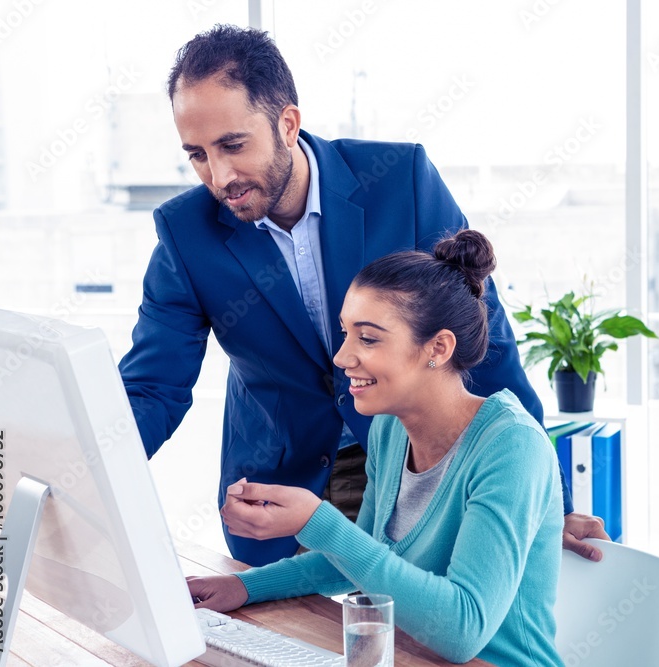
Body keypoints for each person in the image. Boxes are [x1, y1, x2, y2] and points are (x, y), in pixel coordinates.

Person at [118, 23, 607, 567]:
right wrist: (79, 474)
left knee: (414, 640)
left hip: (412, 470)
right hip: (282, 487)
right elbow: (151, 387)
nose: (220, 174)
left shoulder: (402, 182)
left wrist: (551, 502)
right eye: (198, 155)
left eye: (233, 145)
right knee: (283, 646)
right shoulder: (187, 233)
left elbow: (485, 344)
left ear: (287, 123)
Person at [188, 230, 564, 666]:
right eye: (345, 333)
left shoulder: (511, 447)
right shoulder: (390, 428)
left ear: (438, 348)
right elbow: (356, 558)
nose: (342, 357)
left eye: (367, 338)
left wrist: (317, 521)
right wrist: (246, 587)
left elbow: (464, 631)